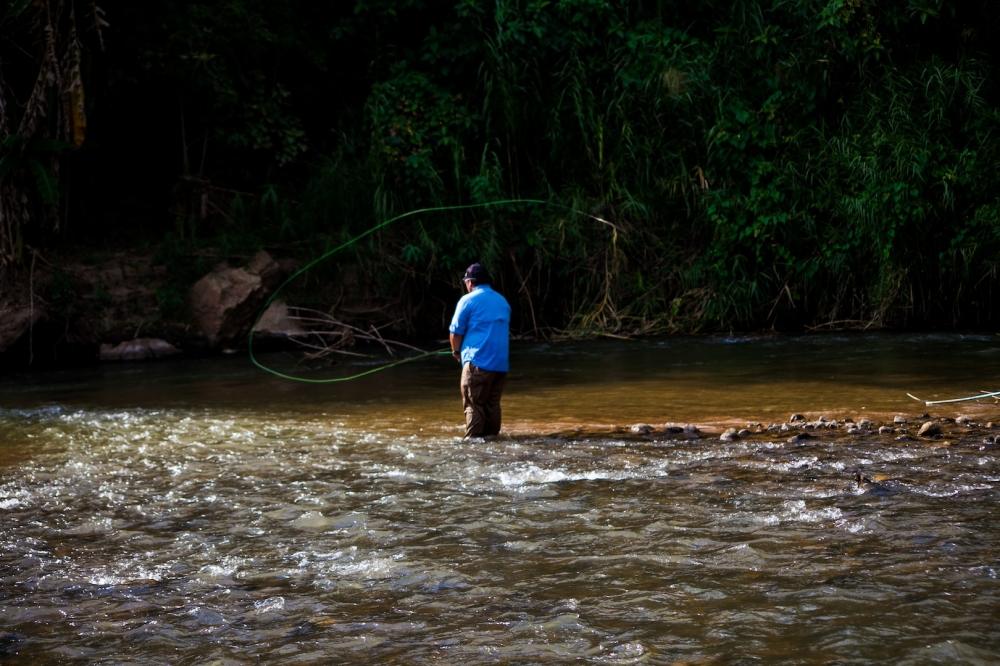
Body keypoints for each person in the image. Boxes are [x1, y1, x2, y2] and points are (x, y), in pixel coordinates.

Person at [448, 262, 511, 438]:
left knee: (474, 404)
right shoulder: (502, 301)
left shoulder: (467, 300)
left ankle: (474, 448)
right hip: (500, 365)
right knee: (492, 405)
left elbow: (455, 334)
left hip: (478, 363)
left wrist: (456, 352)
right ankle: (493, 442)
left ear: (470, 282)